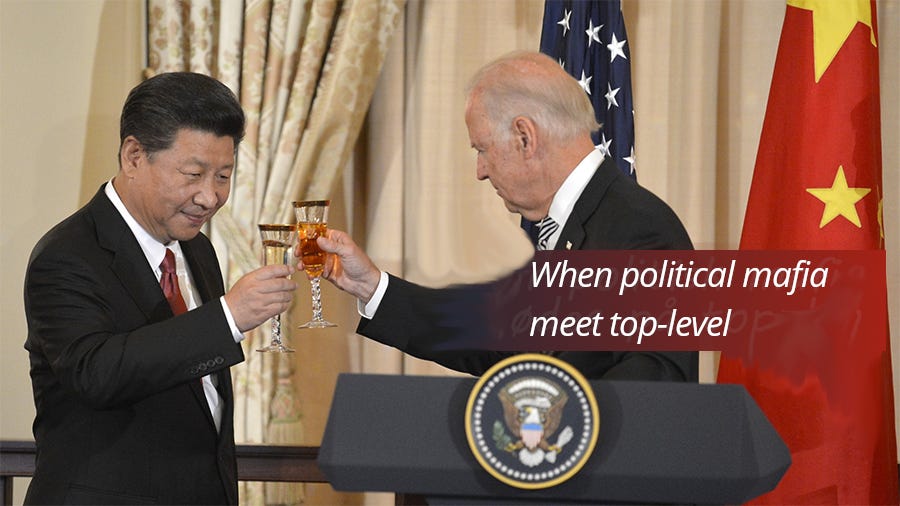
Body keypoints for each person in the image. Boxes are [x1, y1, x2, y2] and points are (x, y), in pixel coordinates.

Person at [305, 51, 697, 381]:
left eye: (483, 149)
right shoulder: (569, 224)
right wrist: (372, 286)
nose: (480, 171)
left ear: (525, 137)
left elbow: (656, 387)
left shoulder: (640, 229)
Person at [23, 72, 296, 505]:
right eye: (193, 174)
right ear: (134, 156)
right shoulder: (67, 254)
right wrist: (228, 317)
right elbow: (96, 373)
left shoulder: (198, 249)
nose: (209, 197)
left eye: (223, 176)